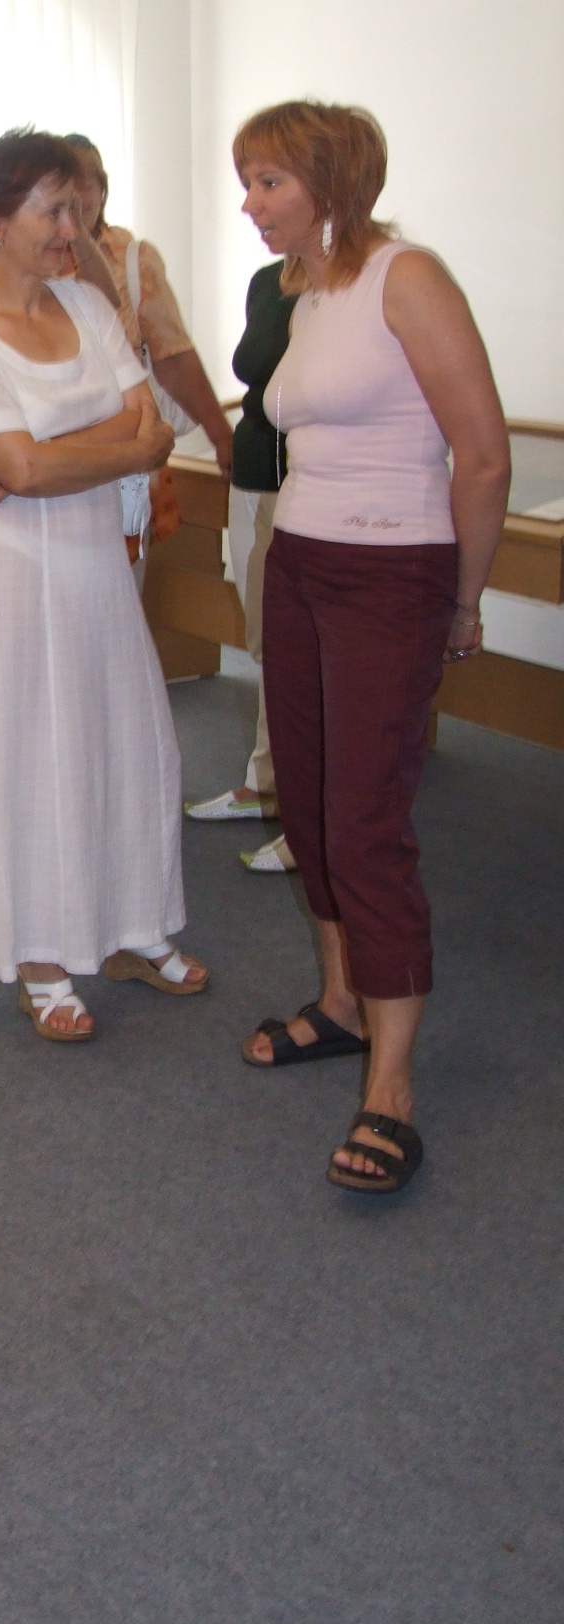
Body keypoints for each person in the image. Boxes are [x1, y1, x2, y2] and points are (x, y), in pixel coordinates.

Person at [235, 102, 510, 1194]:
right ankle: (342, 1001)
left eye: (268, 182)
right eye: (248, 180)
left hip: (394, 571)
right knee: (305, 804)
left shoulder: (409, 277)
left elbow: (482, 454)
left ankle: (391, 1089)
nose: (249, 203)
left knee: (364, 822)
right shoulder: (306, 292)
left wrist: (463, 600)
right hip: (301, 564)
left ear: (331, 184)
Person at [0, 128, 207, 1042]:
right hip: (19, 578)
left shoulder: (86, 301)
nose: (72, 228)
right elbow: (25, 471)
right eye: (53, 210)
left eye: (76, 208)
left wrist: (44, 456)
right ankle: (39, 955)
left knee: (129, 741)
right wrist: (60, 457)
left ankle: (134, 923)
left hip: (98, 568)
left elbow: (150, 428)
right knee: (31, 758)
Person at [183, 257, 301, 873]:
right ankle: (266, 784)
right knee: (266, 640)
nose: (253, 211)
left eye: (268, 205)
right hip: (252, 471)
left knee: (294, 646)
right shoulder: (265, 281)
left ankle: (305, 813)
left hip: (301, 483)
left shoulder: (342, 282)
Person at [61, 135, 233, 474]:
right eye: (63, 187)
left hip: (128, 451)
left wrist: (221, 436)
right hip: (55, 449)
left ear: (103, 192)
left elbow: (173, 356)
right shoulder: (29, 265)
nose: (75, 199)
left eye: (85, 184)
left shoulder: (132, 259)